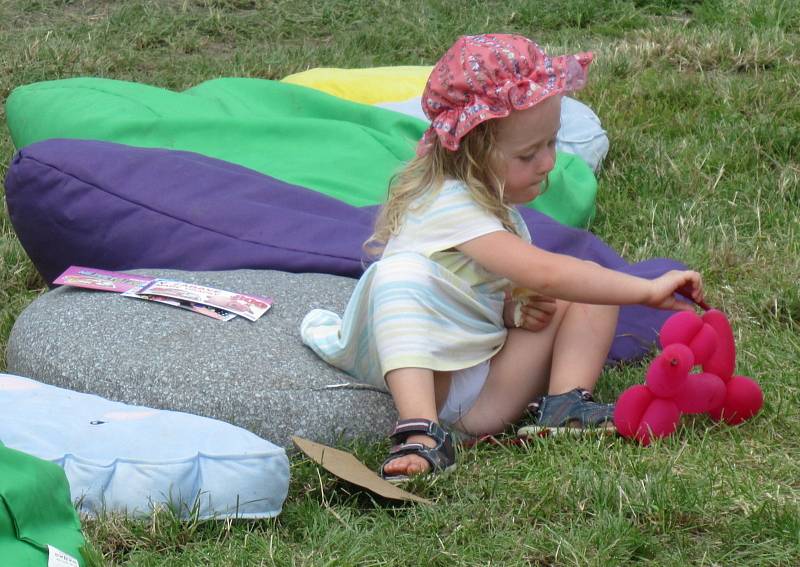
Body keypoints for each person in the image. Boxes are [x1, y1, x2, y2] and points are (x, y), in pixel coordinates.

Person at [301, 34, 704, 481]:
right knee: (400, 273)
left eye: (552, 143)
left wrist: (511, 311)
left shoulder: (499, 211)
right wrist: (646, 290)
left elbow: (474, 287)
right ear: (472, 154)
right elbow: (544, 274)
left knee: (589, 286)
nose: (549, 162)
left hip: (482, 386)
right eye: (528, 154)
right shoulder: (446, 204)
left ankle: (565, 407)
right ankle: (419, 432)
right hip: (435, 383)